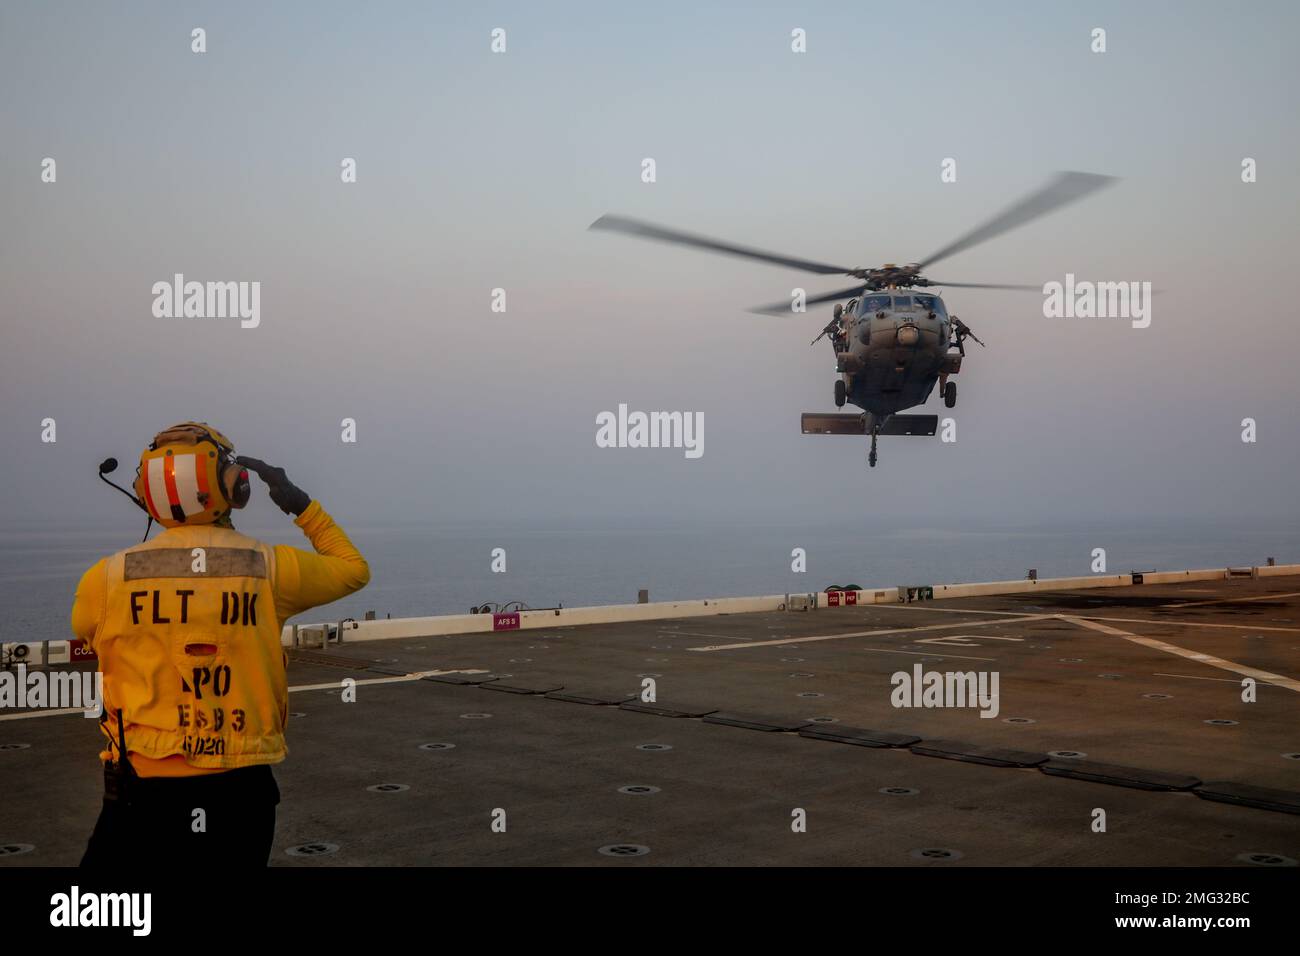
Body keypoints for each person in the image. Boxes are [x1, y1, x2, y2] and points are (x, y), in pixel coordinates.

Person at [73, 422, 370, 866]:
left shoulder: (107, 578)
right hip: (239, 790)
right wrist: (300, 505)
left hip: (140, 789)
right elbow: (353, 569)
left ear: (146, 493)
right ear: (233, 486)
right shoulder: (268, 567)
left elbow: (86, 630)